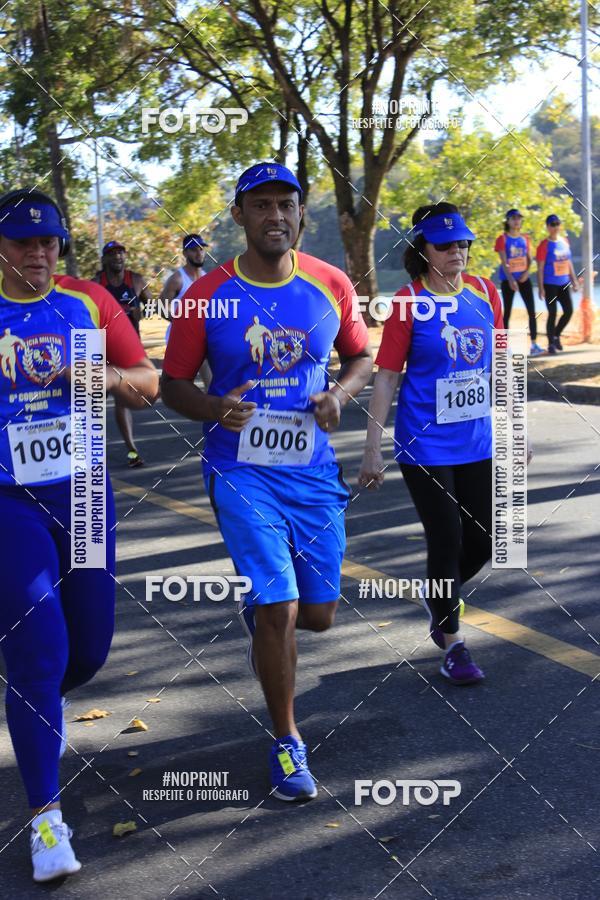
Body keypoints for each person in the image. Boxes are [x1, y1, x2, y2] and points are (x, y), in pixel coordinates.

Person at [161, 163, 372, 801]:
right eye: (261, 205)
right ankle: (288, 743)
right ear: (239, 217)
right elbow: (172, 384)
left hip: (311, 471)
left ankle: (267, 613)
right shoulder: (206, 296)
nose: (275, 215)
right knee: (279, 608)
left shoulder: (330, 283)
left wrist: (339, 391)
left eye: (286, 204)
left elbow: (362, 355)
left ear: (301, 214)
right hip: (237, 468)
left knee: (319, 615)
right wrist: (213, 407)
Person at [0, 188, 158, 882]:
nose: (37, 255)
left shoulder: (89, 302)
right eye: (22, 242)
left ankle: (32, 697)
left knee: (85, 654)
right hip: (9, 500)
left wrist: (103, 374)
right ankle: (46, 824)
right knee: (40, 650)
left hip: (88, 494)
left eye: (49, 243)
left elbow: (150, 383)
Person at [359, 202, 507, 685]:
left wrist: (514, 432)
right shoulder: (408, 302)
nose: (457, 252)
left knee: (484, 540)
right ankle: (453, 643)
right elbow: (385, 379)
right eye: (445, 245)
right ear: (423, 250)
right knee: (446, 539)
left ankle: (439, 596)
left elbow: (501, 367)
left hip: (478, 441)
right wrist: (372, 448)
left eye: (463, 243)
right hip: (424, 445)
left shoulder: (486, 292)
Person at [93, 241, 151, 465]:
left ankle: (132, 450)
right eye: (112, 254)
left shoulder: (135, 280)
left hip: (127, 349)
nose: (117, 257)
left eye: (121, 253)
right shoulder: (96, 283)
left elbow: (154, 306)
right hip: (101, 348)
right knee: (93, 403)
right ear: (104, 260)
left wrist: (142, 312)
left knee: (122, 399)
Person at [161, 233, 211, 386]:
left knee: (211, 380)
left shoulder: (206, 278)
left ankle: (212, 407)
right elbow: (161, 307)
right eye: (194, 250)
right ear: (185, 253)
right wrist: (182, 322)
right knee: (179, 386)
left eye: (201, 249)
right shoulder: (177, 279)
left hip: (201, 337)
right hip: (179, 338)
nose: (199, 253)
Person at [494, 209, 543, 356]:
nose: (516, 221)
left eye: (519, 218)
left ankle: (534, 345)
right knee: (507, 313)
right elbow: (503, 262)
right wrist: (511, 280)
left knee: (532, 312)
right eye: (513, 218)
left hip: (524, 279)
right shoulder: (502, 239)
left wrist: (526, 273)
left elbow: (530, 259)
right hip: (508, 280)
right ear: (507, 221)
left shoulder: (525, 238)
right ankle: (503, 348)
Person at [535, 214, 578, 354]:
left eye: (557, 223)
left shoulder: (565, 241)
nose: (555, 227)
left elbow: (568, 262)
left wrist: (574, 280)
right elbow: (540, 268)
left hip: (564, 284)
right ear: (547, 227)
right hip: (550, 285)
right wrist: (541, 288)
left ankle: (556, 334)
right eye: (552, 224)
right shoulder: (544, 245)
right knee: (552, 313)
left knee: (569, 311)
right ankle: (551, 344)